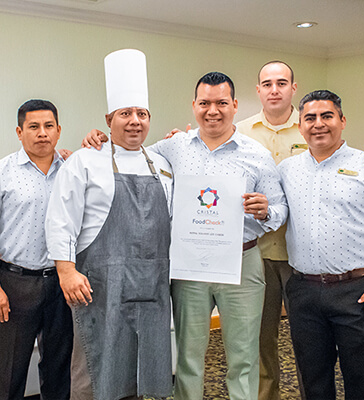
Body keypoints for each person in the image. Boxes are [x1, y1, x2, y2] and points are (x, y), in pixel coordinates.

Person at [83, 71, 288, 400]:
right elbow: (130, 153)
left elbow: (280, 209)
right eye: (205, 103)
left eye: (221, 103)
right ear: (194, 106)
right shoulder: (172, 147)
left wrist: (265, 211)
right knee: (189, 356)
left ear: (234, 105)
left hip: (242, 262)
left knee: (243, 357)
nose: (213, 111)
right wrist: (101, 139)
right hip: (189, 265)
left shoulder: (257, 155)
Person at [45, 49, 173, 400]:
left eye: (142, 114)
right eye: (125, 113)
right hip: (100, 285)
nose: (135, 121)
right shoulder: (86, 161)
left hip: (152, 286)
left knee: (140, 366)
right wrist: (66, 271)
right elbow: (60, 219)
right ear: (108, 118)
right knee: (95, 365)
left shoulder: (162, 165)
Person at [278, 90, 364, 400]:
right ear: (300, 125)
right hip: (303, 291)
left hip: (357, 292)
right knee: (313, 379)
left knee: (362, 376)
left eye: (327, 116)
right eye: (310, 118)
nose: (319, 124)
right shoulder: (287, 170)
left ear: (342, 121)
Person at [236, 61, 306, 400]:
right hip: (257, 255)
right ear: (258, 89)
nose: (274, 89)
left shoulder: (310, 126)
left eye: (281, 82)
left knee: (308, 339)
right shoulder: (241, 132)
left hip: (302, 256)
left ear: (294, 88)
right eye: (267, 83)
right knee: (259, 340)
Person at [0, 99, 73, 400]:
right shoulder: (3, 172)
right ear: (19, 132)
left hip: (61, 283)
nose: (42, 133)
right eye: (33, 126)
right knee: (9, 372)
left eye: (48, 126)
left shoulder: (73, 171)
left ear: (58, 131)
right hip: (16, 284)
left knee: (59, 368)